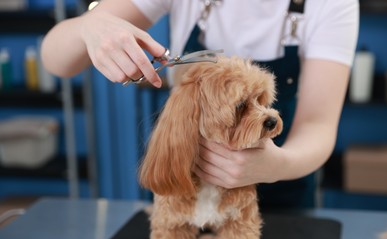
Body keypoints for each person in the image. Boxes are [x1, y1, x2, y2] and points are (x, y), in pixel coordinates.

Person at [41, 0, 359, 210]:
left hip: (280, 194)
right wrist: (86, 27)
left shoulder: (330, 5)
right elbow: (55, 60)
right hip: (185, 184)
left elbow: (317, 124)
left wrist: (276, 166)